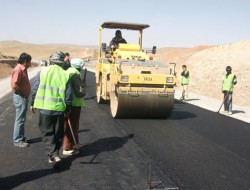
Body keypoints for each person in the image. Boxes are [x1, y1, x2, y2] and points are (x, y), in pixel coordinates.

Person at [30, 51, 72, 168]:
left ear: (51, 61)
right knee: (58, 133)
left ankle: (53, 155)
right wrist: (68, 107)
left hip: (44, 109)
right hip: (59, 109)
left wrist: (32, 103)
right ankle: (54, 154)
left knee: (47, 132)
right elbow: (68, 94)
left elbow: (35, 89)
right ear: (61, 63)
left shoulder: (42, 72)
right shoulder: (65, 74)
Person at [63, 58, 86, 156]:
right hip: (74, 103)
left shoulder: (67, 71)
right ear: (79, 67)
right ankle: (68, 147)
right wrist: (83, 90)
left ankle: (74, 143)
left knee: (71, 125)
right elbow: (78, 92)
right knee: (71, 125)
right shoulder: (75, 74)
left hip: (69, 102)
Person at [11, 52, 32, 148]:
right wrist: (24, 93)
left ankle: (21, 137)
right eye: (29, 62)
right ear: (25, 61)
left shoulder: (23, 69)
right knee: (19, 119)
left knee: (22, 119)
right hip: (20, 97)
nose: (30, 64)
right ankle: (17, 140)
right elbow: (14, 85)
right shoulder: (18, 70)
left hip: (23, 97)